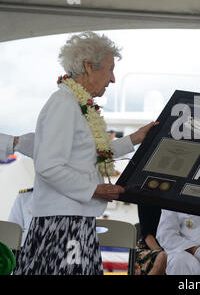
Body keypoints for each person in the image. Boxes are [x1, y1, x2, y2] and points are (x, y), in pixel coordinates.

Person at [13, 31, 159, 275]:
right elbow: (48, 166)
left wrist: (135, 138)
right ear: (89, 67)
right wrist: (94, 189)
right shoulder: (64, 104)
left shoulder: (76, 104)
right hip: (62, 224)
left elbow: (91, 153)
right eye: (110, 69)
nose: (112, 79)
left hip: (74, 221)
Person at [135, 203, 167, 275]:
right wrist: (161, 251)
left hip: (173, 247)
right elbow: (147, 236)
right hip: (149, 247)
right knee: (163, 257)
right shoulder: (146, 198)